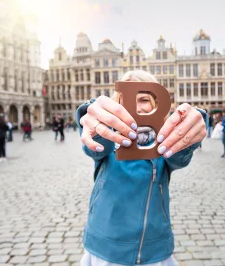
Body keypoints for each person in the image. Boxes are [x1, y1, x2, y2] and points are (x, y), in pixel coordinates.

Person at [76, 70, 207, 266]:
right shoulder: (109, 138)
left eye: (144, 99)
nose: (136, 108)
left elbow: (180, 157)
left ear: (156, 104)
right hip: (107, 248)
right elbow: (94, 146)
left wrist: (192, 128)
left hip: (153, 250)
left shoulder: (164, 142)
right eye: (127, 99)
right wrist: (92, 118)